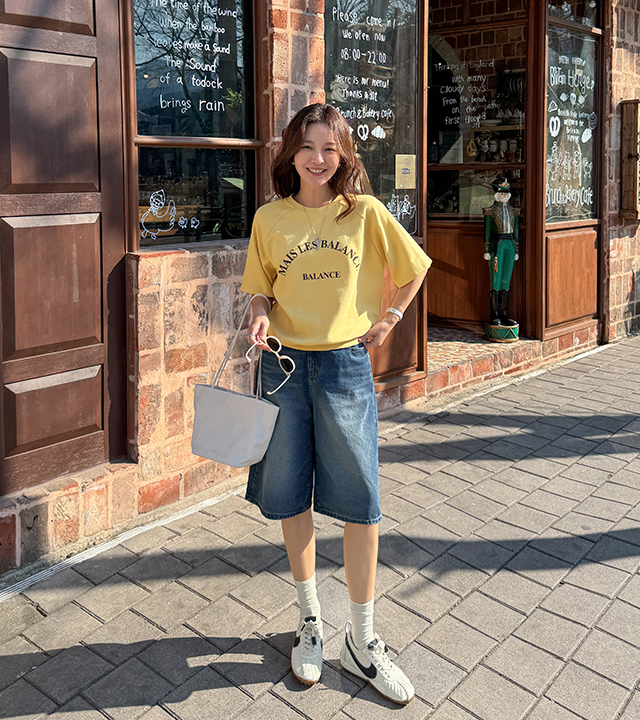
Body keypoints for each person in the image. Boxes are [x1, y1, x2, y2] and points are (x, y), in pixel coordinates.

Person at [240, 103, 431, 705]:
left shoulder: (364, 213)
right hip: (283, 366)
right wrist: (259, 315)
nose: (317, 158)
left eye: (329, 147)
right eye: (306, 146)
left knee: (361, 501)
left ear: (344, 154)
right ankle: (310, 622)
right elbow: (260, 289)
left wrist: (391, 317)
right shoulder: (270, 218)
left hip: (345, 365)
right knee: (289, 492)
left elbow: (414, 267)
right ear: (290, 153)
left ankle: (363, 639)